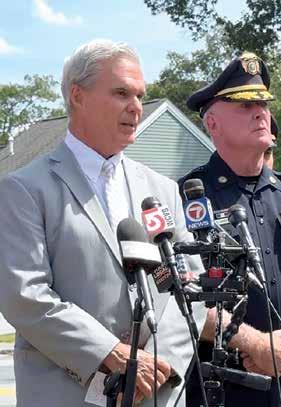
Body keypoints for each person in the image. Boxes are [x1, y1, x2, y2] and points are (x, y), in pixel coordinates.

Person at [0, 39, 205, 407]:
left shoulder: (162, 190)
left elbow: (190, 289)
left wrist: (158, 367)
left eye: (140, 95)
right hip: (67, 396)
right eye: (122, 93)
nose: (136, 107)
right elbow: (25, 296)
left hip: (156, 394)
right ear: (78, 96)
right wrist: (111, 354)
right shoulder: (25, 189)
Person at [179, 52, 281, 407]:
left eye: (263, 104)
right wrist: (254, 344)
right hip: (224, 390)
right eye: (245, 105)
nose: (260, 112)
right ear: (212, 124)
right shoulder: (187, 198)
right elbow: (177, 293)